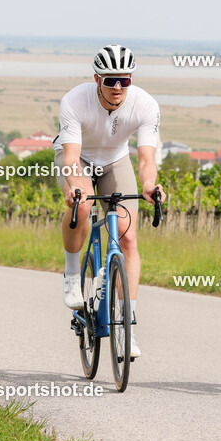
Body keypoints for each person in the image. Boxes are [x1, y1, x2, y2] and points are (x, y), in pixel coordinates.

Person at [54, 44, 165, 358]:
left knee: (128, 238)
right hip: (78, 158)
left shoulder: (145, 105)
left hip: (116, 161)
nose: (118, 87)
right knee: (84, 203)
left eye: (124, 81)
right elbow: (71, 157)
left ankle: (127, 326)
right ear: (96, 78)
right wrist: (76, 186)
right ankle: (73, 275)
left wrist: (149, 185)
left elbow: (145, 159)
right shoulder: (75, 100)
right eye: (110, 80)